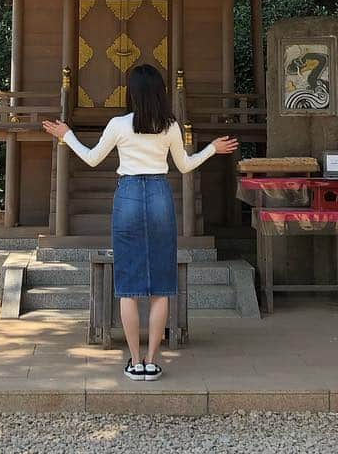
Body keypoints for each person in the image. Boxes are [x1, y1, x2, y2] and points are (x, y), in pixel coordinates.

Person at [43, 64, 238, 381]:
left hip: (129, 195)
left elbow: (92, 158)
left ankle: (134, 361)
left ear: (131, 93)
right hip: (160, 195)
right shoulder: (170, 126)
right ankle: (152, 361)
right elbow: (185, 166)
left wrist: (67, 135)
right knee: (162, 285)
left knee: (129, 286)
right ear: (161, 93)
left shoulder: (119, 124)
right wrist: (212, 149)